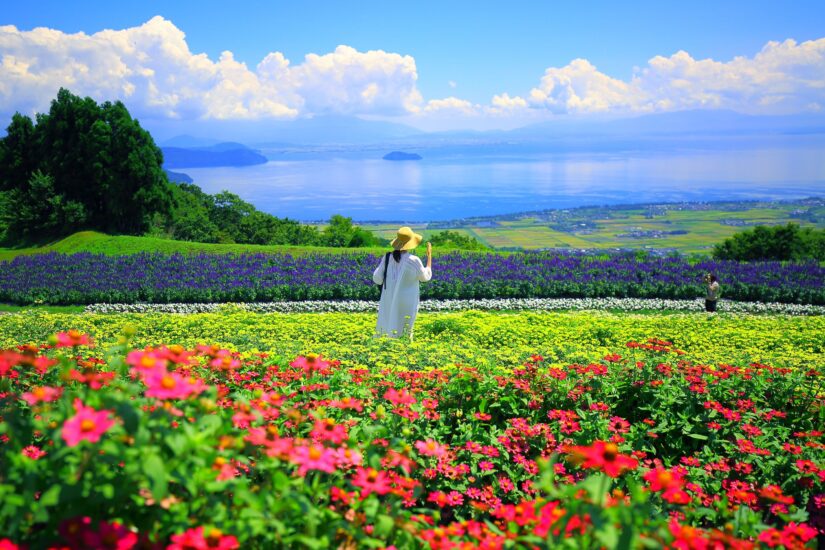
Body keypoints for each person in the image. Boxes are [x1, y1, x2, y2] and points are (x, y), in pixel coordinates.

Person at [373, 227, 432, 339]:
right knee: (405, 325)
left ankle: (387, 344)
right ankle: (403, 346)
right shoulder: (414, 260)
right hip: (407, 300)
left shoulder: (387, 257)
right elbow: (425, 277)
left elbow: (377, 278)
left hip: (388, 297)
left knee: (389, 321)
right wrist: (429, 257)